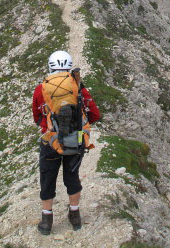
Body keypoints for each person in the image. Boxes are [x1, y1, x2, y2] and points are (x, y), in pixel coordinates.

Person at [32, 50, 100, 235]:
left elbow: (37, 116)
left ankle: (47, 221)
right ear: (69, 67)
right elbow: (95, 114)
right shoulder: (78, 86)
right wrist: (80, 123)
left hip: (50, 142)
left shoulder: (42, 88)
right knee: (72, 176)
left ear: (50, 66)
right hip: (75, 140)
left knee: (47, 178)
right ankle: (75, 216)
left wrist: (47, 126)